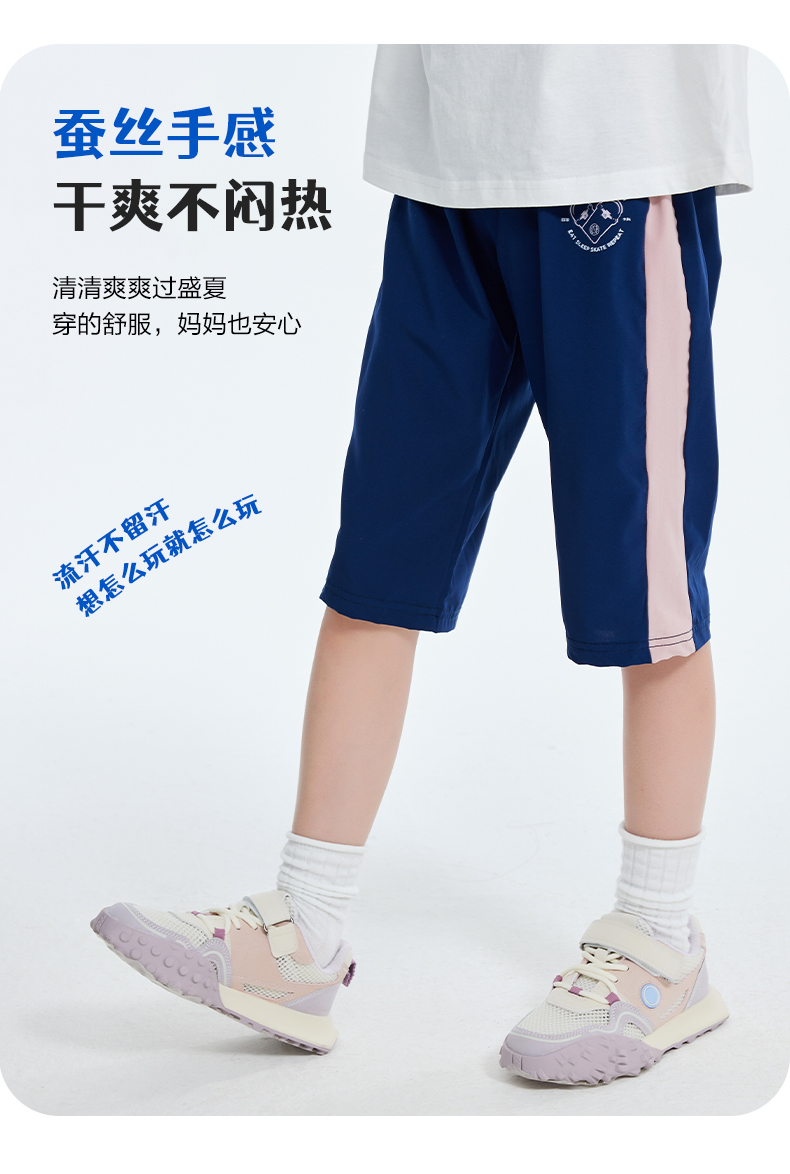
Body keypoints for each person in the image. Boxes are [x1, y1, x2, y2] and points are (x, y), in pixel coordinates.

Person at [91, 44, 753, 1085]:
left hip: (616, 158)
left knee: (647, 593)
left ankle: (661, 942)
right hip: (448, 170)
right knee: (379, 562)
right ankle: (302, 931)